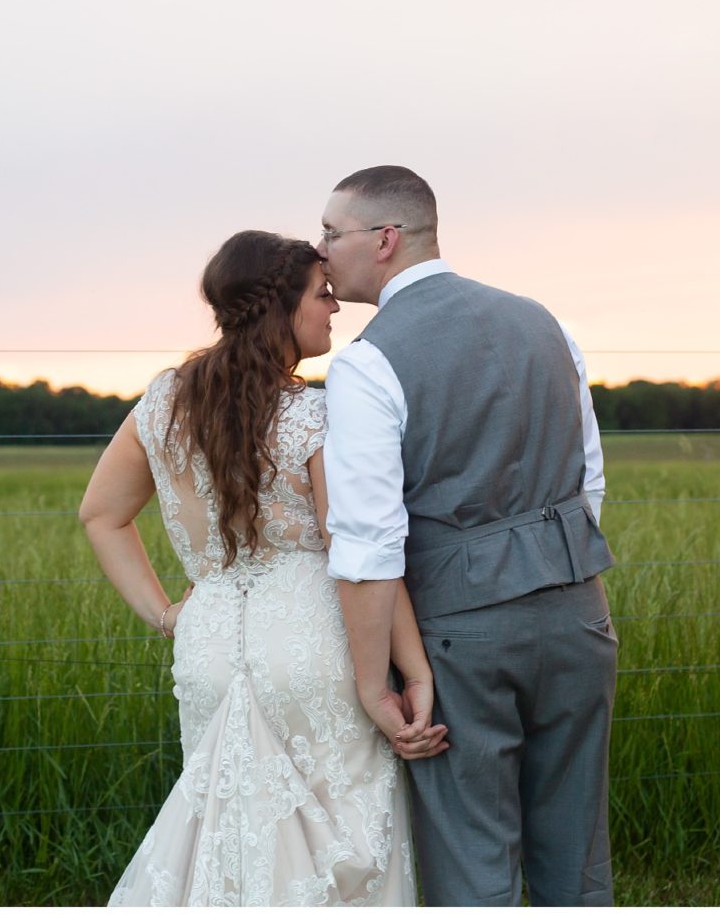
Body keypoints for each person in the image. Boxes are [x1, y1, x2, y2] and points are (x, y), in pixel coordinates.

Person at [78, 229, 447, 907]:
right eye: (322, 294)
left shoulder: (163, 403)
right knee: (344, 836)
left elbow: (100, 514)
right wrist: (416, 669)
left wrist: (165, 613)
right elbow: (357, 551)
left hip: (209, 641)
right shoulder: (313, 412)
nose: (334, 308)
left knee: (233, 838)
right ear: (279, 306)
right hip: (314, 644)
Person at [319, 166, 617, 906]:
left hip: (462, 634)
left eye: (331, 232)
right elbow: (589, 482)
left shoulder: (367, 361)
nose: (319, 250)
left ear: (385, 239)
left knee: (470, 857)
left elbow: (369, 542)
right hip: (579, 611)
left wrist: (371, 681)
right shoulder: (547, 322)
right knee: (576, 848)